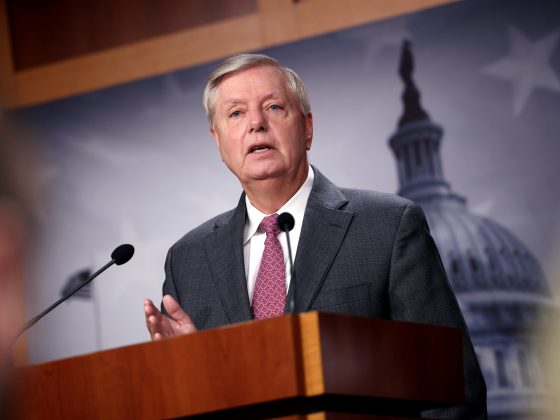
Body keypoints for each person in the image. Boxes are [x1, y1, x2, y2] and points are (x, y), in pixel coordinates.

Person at [144, 53, 487, 418]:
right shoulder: (188, 260)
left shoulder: (389, 226)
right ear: (218, 141)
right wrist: (191, 372)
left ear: (307, 128)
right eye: (236, 113)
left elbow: (452, 390)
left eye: (274, 107)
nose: (256, 124)